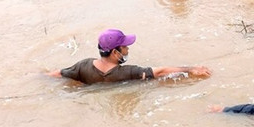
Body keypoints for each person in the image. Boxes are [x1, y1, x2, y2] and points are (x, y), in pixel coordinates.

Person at [49, 29, 211, 84]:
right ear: (115, 52)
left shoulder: (82, 66)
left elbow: (57, 74)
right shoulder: (128, 72)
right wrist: (191, 69)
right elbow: (161, 72)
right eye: (125, 46)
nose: (127, 49)